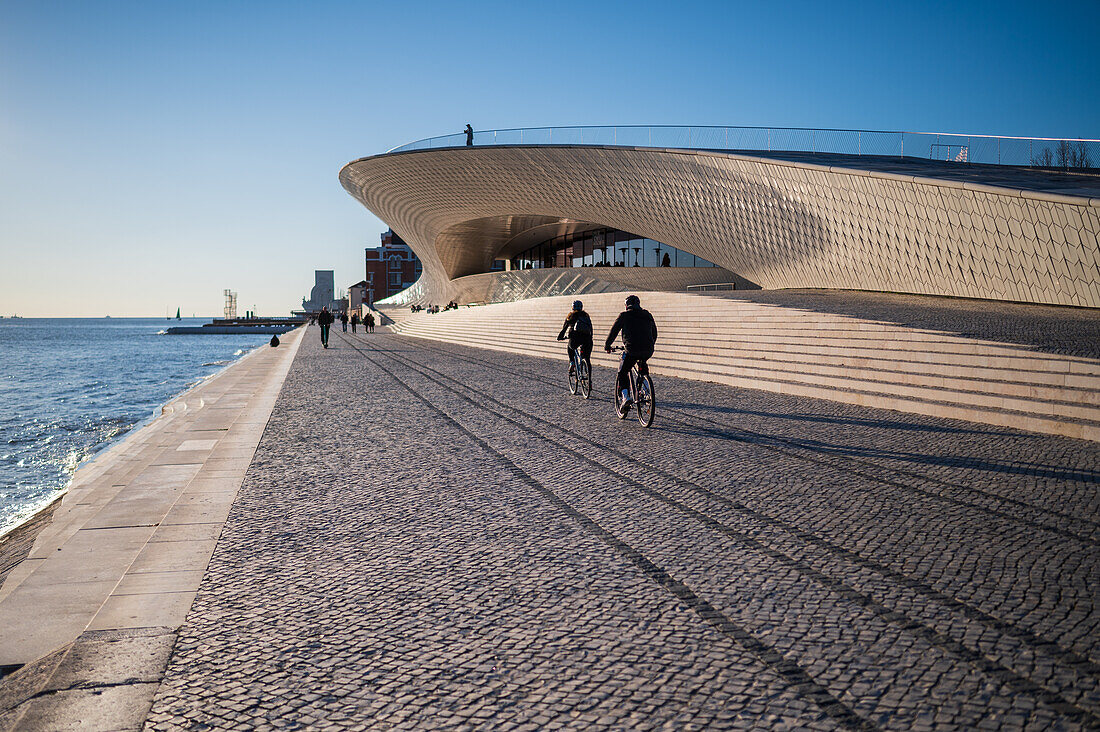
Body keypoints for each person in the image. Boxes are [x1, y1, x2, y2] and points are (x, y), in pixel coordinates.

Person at [604, 294, 658, 416]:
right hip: (648, 349)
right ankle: (646, 389)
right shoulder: (647, 314)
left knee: (622, 371)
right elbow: (654, 333)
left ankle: (625, 397)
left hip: (631, 349)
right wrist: (650, 344)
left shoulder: (624, 315)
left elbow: (614, 331)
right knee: (642, 367)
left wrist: (607, 345)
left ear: (626, 305)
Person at [557, 300, 593, 376]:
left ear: (572, 307)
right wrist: (590, 338)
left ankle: (572, 362)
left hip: (575, 339)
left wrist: (560, 337)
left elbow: (564, 328)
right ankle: (589, 380)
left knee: (570, 348)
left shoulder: (570, 316)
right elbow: (590, 328)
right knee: (587, 358)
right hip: (587, 339)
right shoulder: (586, 316)